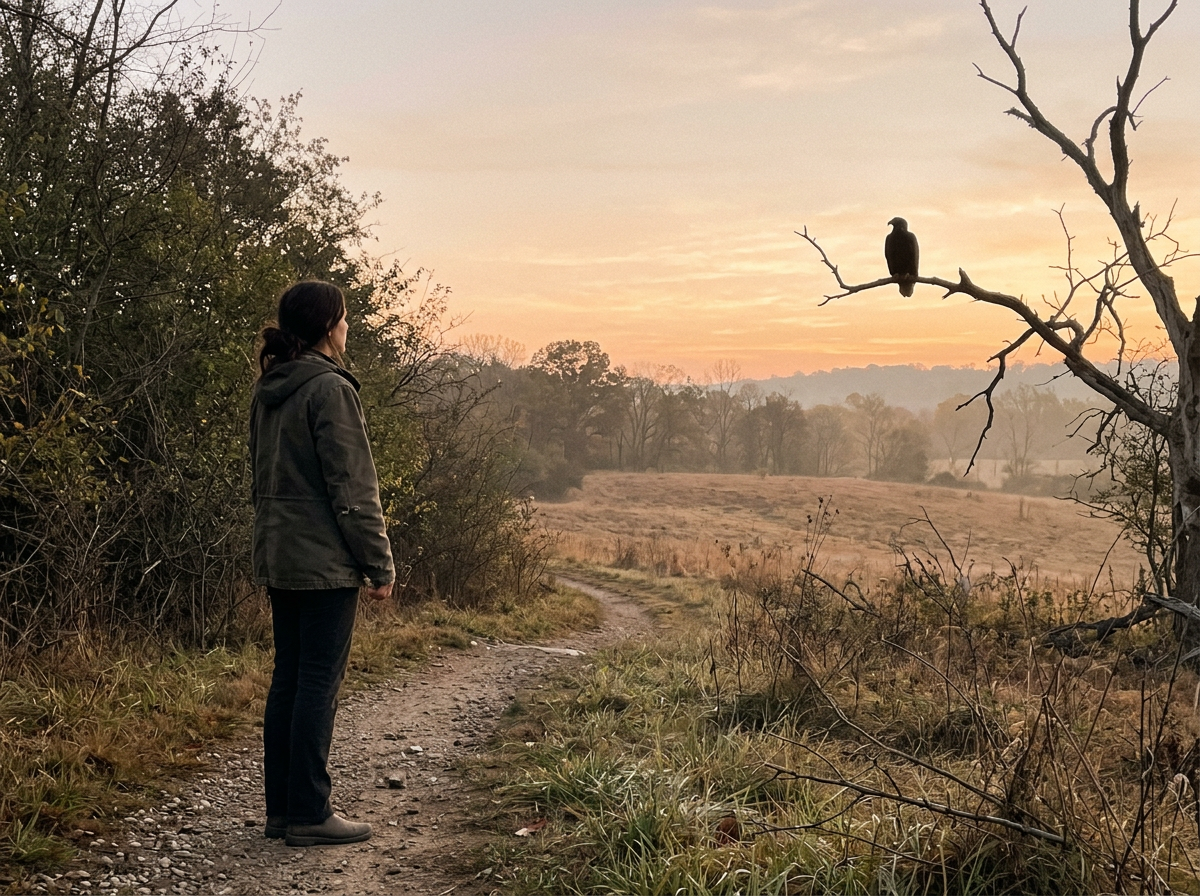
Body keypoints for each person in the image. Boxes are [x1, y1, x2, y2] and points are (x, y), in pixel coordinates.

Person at [249, 280, 395, 847]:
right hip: (323, 560)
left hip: (279, 553)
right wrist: (378, 564)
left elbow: (258, 478)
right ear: (326, 326)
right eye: (344, 318)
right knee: (316, 681)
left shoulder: (270, 389)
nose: (348, 327)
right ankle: (310, 813)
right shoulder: (329, 390)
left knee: (289, 676)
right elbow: (354, 487)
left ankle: (282, 811)